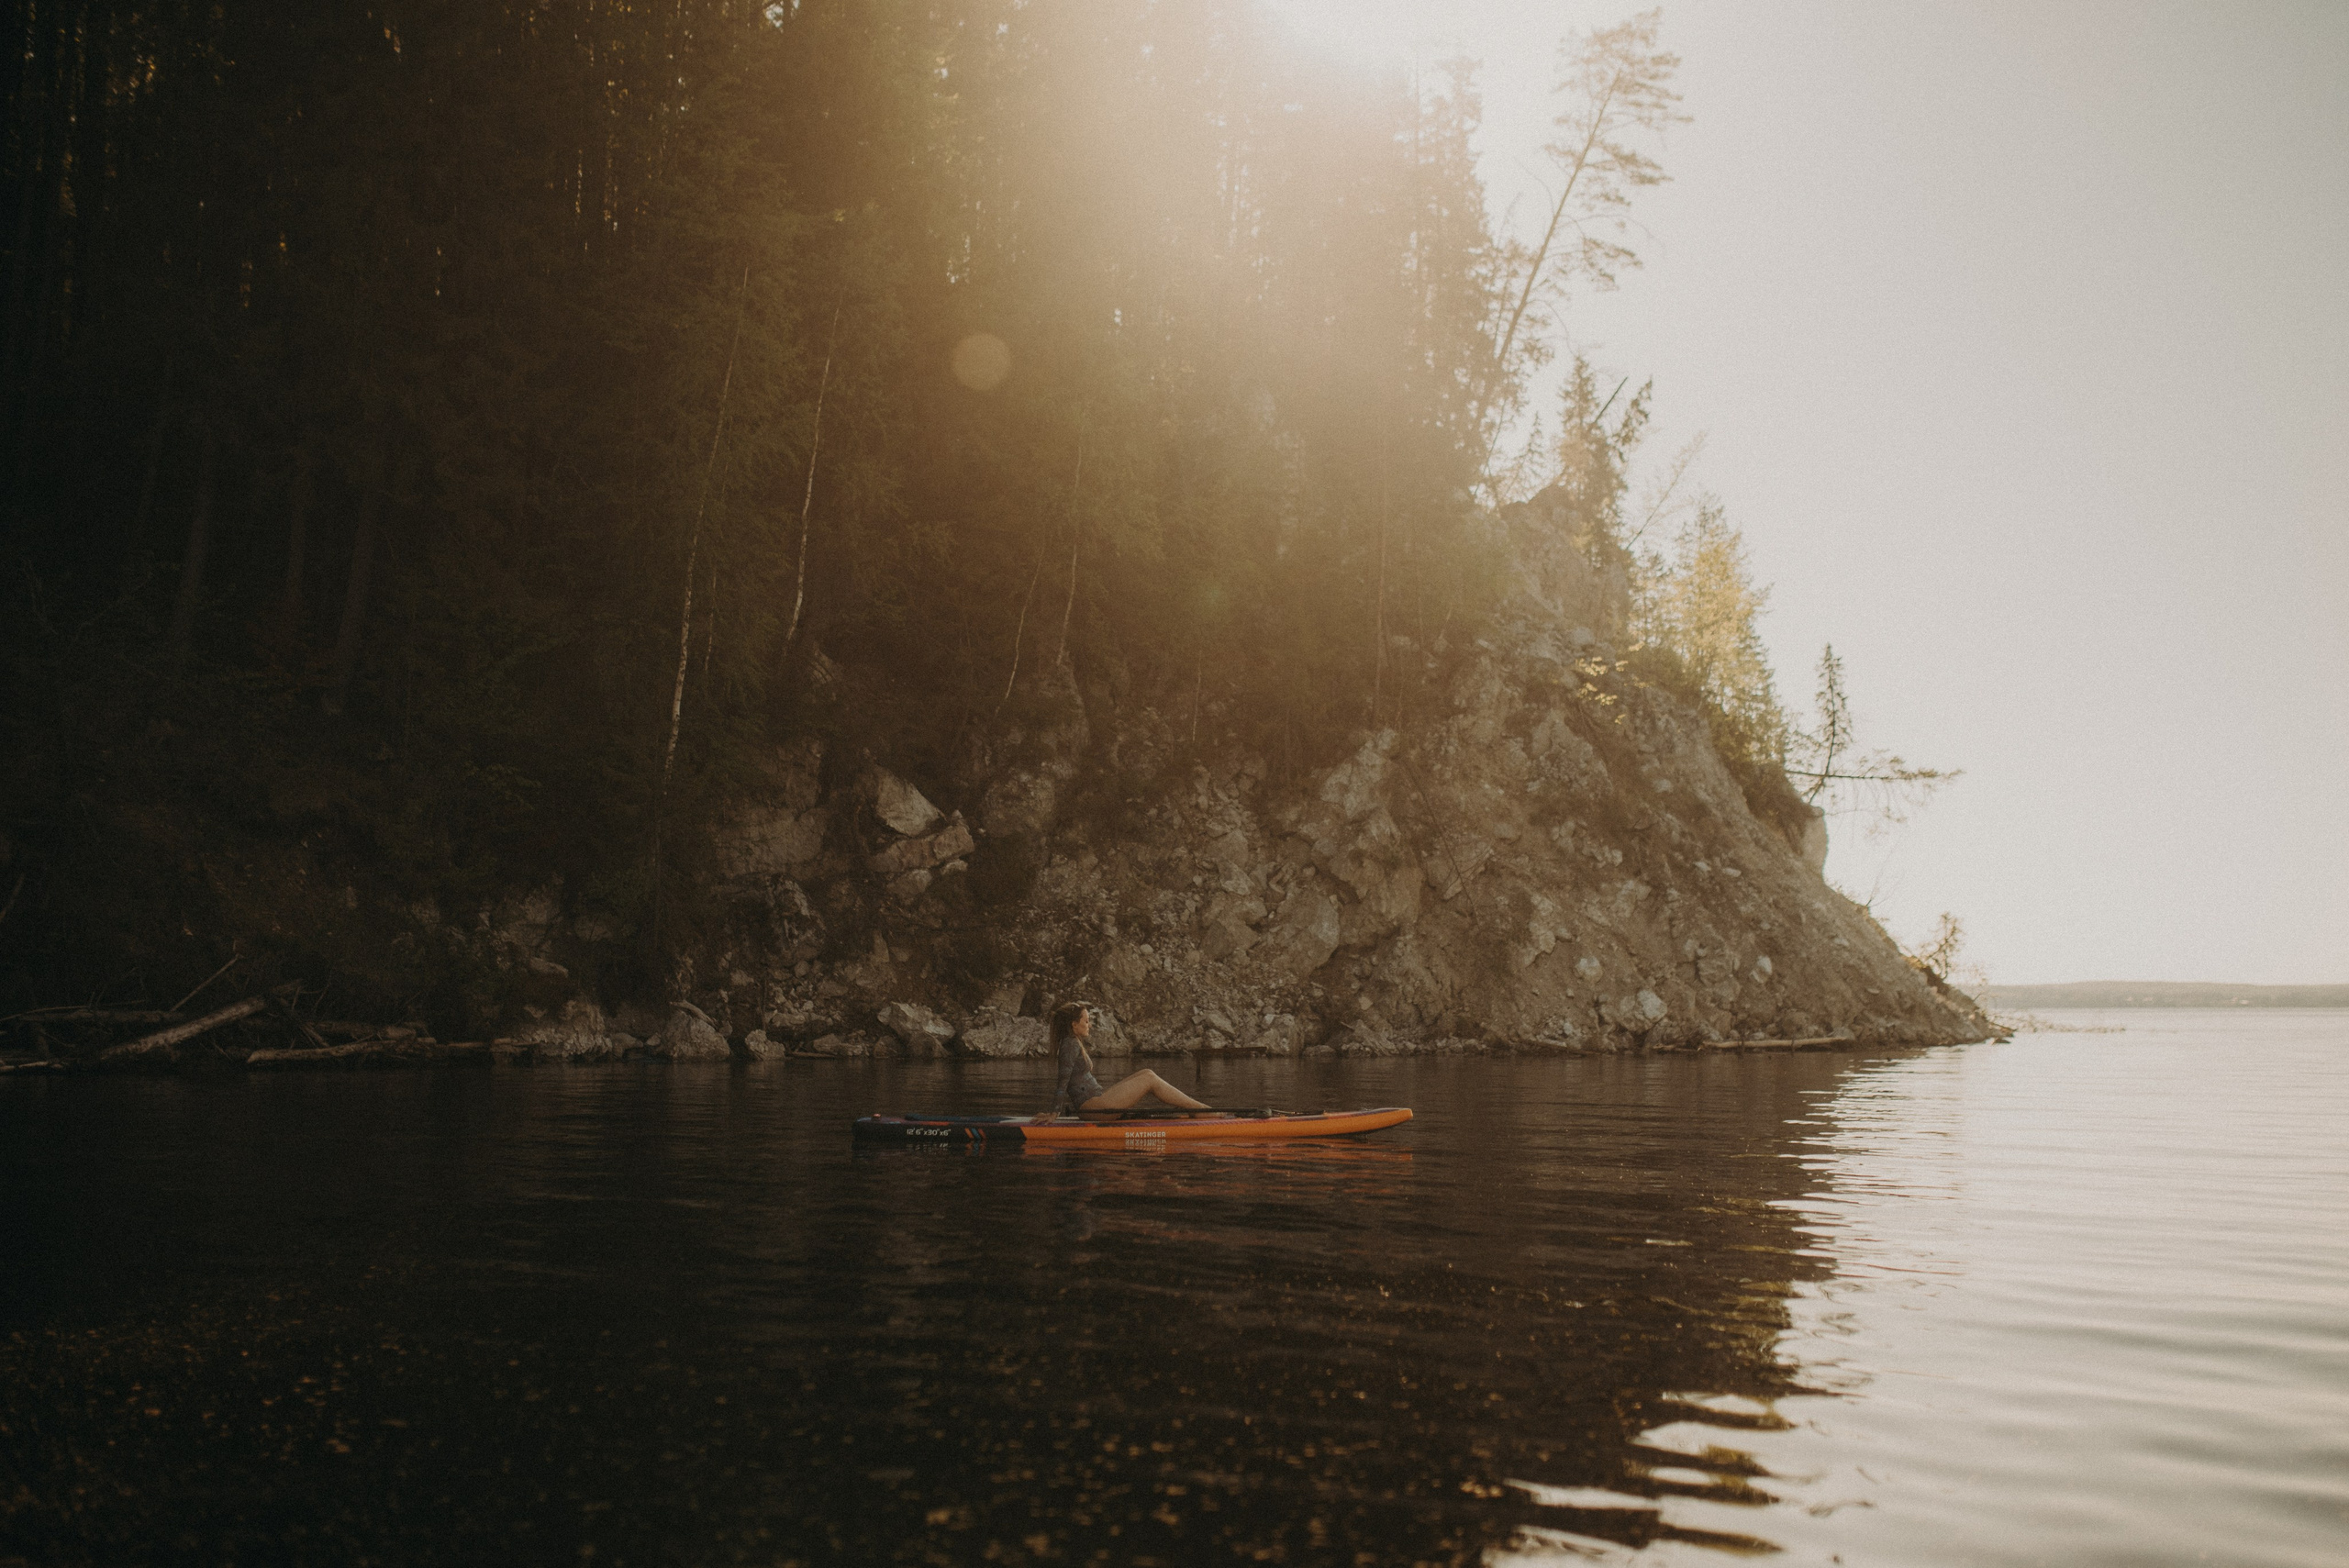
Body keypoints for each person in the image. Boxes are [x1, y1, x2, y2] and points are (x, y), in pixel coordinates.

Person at [1042, 1001, 1211, 1117]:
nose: (1090, 1025)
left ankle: (1197, 1109)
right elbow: (1062, 1081)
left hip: (1098, 1102)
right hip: (1093, 1108)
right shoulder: (1069, 1044)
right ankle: (1201, 1110)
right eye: (1086, 1021)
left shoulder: (1072, 1043)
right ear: (1074, 1024)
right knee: (1149, 1079)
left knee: (1147, 1072)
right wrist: (1054, 1113)